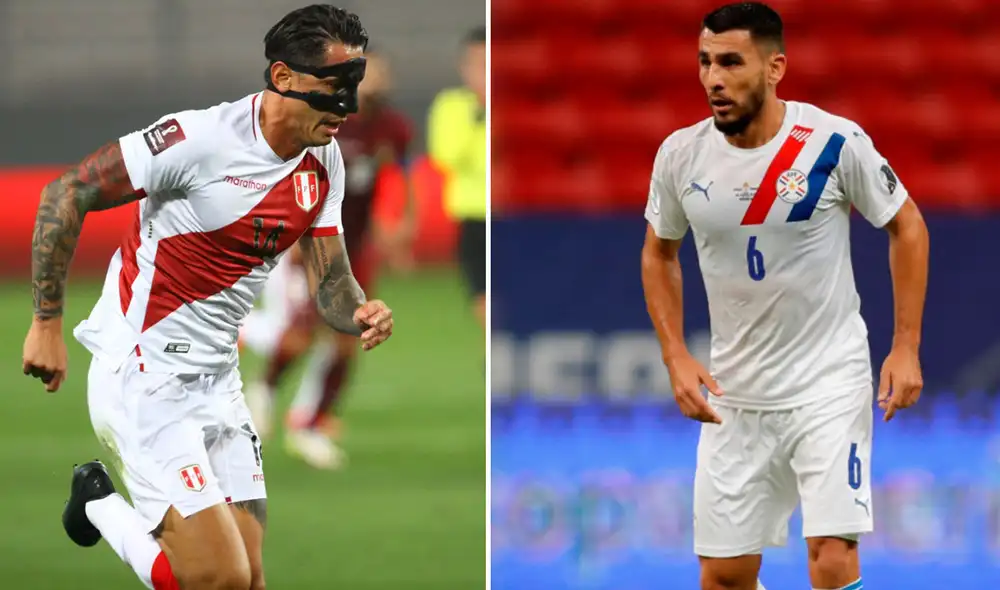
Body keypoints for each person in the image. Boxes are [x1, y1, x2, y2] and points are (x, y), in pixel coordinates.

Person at [20, 5, 394, 589]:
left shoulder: (324, 161)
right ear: (282, 78)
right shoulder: (198, 140)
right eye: (333, 88)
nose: (347, 106)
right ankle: (97, 501)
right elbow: (66, 193)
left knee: (246, 581)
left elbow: (331, 281)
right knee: (216, 578)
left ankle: (101, 505)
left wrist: (359, 311)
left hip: (219, 384)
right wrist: (46, 322)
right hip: (144, 377)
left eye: (354, 86)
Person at [640, 3, 929, 590]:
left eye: (730, 62)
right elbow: (658, 253)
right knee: (724, 575)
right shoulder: (680, 156)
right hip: (736, 393)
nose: (713, 79)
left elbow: (908, 226)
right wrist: (675, 354)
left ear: (775, 68)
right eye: (704, 62)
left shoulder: (831, 142)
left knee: (831, 556)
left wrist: (905, 345)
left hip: (829, 382)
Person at [240, 48, 415, 469]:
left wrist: (400, 226)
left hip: (353, 247)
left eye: (382, 73)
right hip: (307, 240)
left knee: (346, 339)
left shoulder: (392, 128)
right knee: (303, 330)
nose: (378, 80)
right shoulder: (329, 119)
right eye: (370, 73)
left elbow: (399, 176)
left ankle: (309, 424)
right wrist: (302, 248)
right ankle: (263, 392)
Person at [427, 26, 487, 330]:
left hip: (515, 220)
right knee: (484, 303)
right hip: (475, 219)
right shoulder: (452, 105)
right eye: (477, 63)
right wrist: (480, 113)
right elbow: (445, 156)